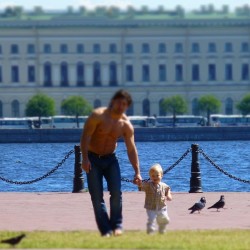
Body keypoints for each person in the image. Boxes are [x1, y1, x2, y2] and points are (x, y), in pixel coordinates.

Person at [80, 89, 142, 237]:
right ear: (113, 102)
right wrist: (85, 159)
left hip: (110, 159)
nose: (121, 106)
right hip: (93, 159)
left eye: (124, 104)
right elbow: (85, 137)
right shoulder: (98, 116)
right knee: (96, 196)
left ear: (127, 106)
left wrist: (137, 171)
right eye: (119, 102)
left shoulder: (125, 125)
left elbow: (131, 149)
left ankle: (117, 225)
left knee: (116, 193)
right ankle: (105, 229)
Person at [137, 163, 172, 234]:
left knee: (163, 219)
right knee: (151, 219)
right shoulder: (148, 185)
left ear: (161, 175)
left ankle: (162, 230)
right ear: (150, 176)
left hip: (161, 206)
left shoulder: (164, 185)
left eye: (157, 175)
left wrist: (168, 196)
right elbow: (141, 187)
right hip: (151, 207)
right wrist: (139, 183)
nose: (155, 177)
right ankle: (151, 232)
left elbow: (168, 190)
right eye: (153, 176)